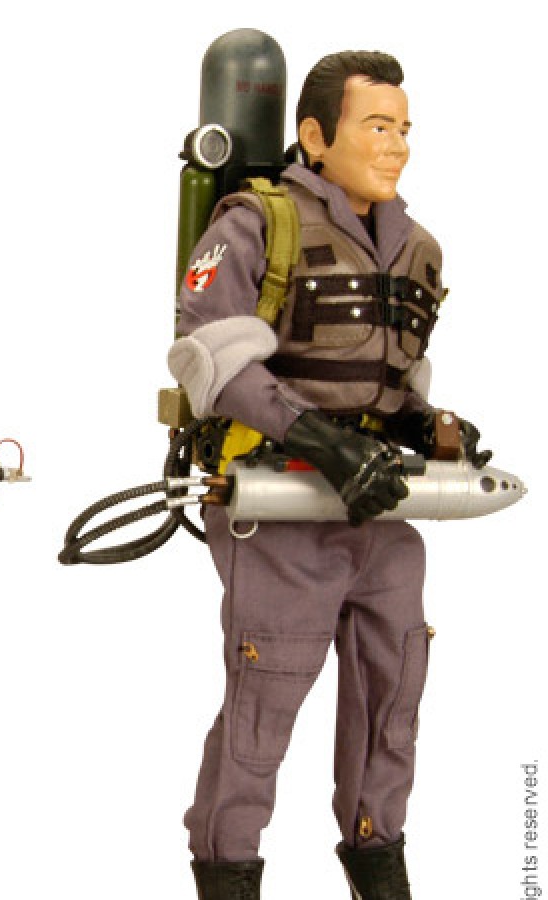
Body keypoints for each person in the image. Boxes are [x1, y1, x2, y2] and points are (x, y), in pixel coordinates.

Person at [166, 50, 488, 900]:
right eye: (376, 126)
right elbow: (211, 357)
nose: (396, 145)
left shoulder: (417, 247)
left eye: (404, 128)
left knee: (394, 701)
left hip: (381, 513)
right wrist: (319, 439)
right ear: (314, 135)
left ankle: (380, 866)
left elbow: (393, 377)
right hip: (280, 507)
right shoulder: (254, 223)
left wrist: (428, 425)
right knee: (263, 710)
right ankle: (228, 872)